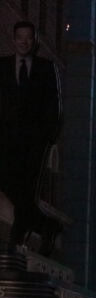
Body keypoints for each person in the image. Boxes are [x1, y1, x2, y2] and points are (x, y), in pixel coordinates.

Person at [0, 20, 62, 252]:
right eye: (19, 37)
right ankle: (46, 225)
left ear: (34, 40)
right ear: (14, 39)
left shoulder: (46, 68)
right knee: (9, 184)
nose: (23, 42)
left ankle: (18, 236)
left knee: (26, 189)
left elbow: (55, 107)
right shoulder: (3, 66)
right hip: (5, 141)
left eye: (28, 38)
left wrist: (48, 138)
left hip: (34, 144)